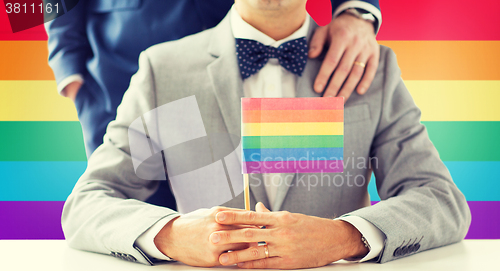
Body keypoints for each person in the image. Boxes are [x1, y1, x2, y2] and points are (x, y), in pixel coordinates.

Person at [62, 0, 470, 269]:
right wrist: (69, 69)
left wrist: (344, 237)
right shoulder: (160, 69)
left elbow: (440, 199)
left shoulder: (371, 69)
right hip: (123, 82)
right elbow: (89, 205)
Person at [46, 0, 382, 156]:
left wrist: (357, 9)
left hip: (254, 63)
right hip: (118, 76)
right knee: (130, 226)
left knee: (274, 217)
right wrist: (67, 67)